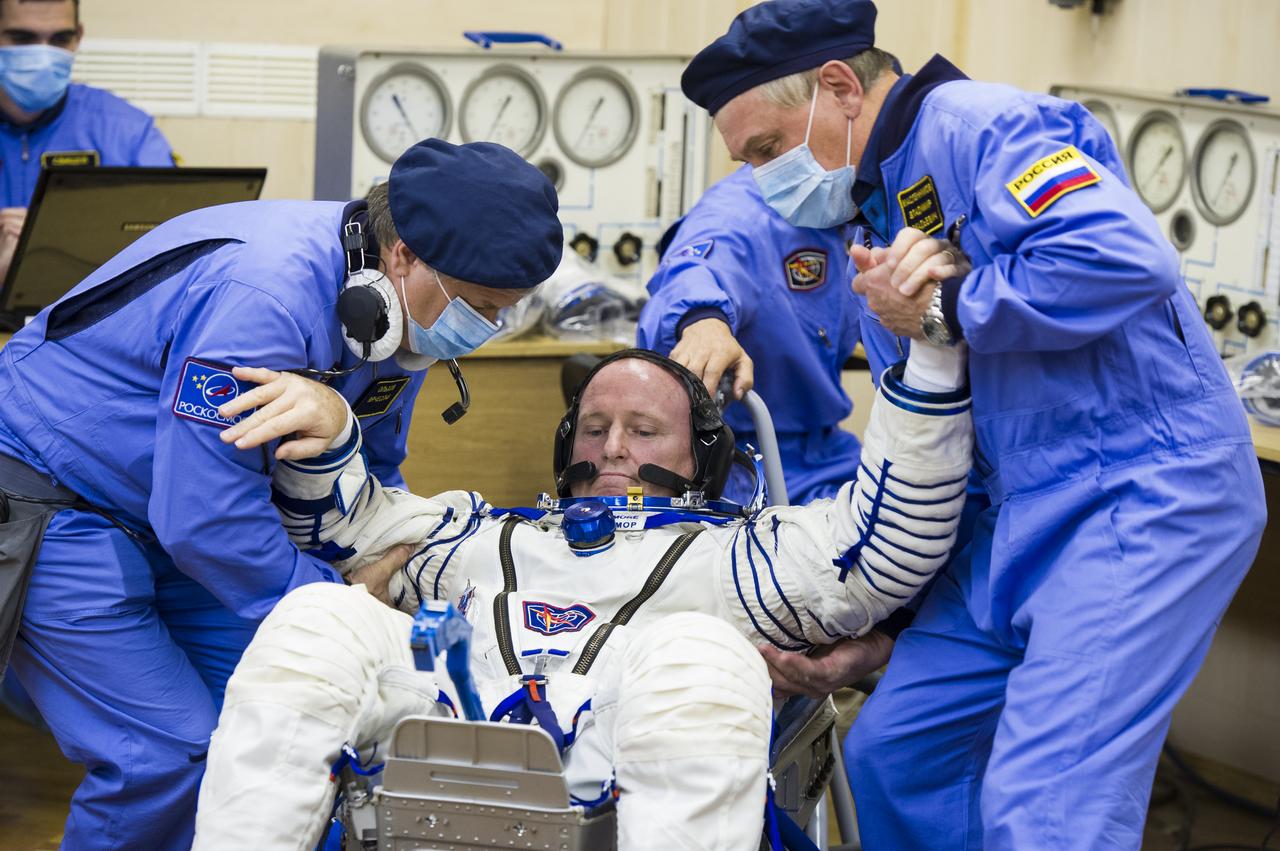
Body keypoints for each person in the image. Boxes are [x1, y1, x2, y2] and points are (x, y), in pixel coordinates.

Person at [681, 1, 1268, 848]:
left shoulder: (979, 127)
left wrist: (948, 307)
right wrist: (886, 626)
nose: (764, 177)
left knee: (1047, 803)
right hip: (1013, 517)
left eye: (767, 150)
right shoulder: (868, 210)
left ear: (839, 87)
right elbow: (949, 444)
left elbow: (1123, 257)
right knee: (895, 755)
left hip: (1141, 492)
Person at [0, 137, 562, 850]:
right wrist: (337, 600)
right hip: (52, 497)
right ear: (405, 255)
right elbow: (203, 520)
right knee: (170, 751)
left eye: (503, 313)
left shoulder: (393, 319)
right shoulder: (265, 296)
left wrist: (388, 560)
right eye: (481, 307)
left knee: (298, 714)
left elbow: (372, 473)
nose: (487, 329)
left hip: (169, 517)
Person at [191, 343, 973, 849]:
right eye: (594, 427)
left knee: (700, 651)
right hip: (450, 727)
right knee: (318, 616)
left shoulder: (742, 552)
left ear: (701, 460)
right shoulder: (482, 532)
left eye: (643, 429)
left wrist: (933, 360)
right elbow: (346, 521)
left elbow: (889, 540)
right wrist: (328, 431)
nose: (613, 448)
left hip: (628, 750)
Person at [637, 165, 862, 504]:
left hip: (827, 451)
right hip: (748, 461)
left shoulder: (842, 217)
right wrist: (703, 320)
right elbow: (694, 268)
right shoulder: (741, 210)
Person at [0, 0, 174, 280]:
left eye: (60, 38)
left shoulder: (129, 132)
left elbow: (173, 251)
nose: (44, 56)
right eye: (23, 38)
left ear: (78, 37)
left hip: (95, 316)